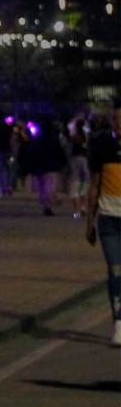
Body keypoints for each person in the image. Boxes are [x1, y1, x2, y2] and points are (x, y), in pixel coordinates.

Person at [83, 105, 121, 348]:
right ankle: (118, 322)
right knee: (115, 271)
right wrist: (89, 222)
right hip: (108, 219)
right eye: (116, 119)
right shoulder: (102, 146)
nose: (119, 123)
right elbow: (95, 185)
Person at [25, 121, 68, 216]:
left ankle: (45, 205)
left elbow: (32, 153)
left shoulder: (37, 140)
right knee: (50, 186)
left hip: (40, 166)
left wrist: (31, 166)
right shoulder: (54, 140)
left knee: (42, 187)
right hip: (51, 167)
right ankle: (48, 204)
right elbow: (59, 152)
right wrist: (63, 163)